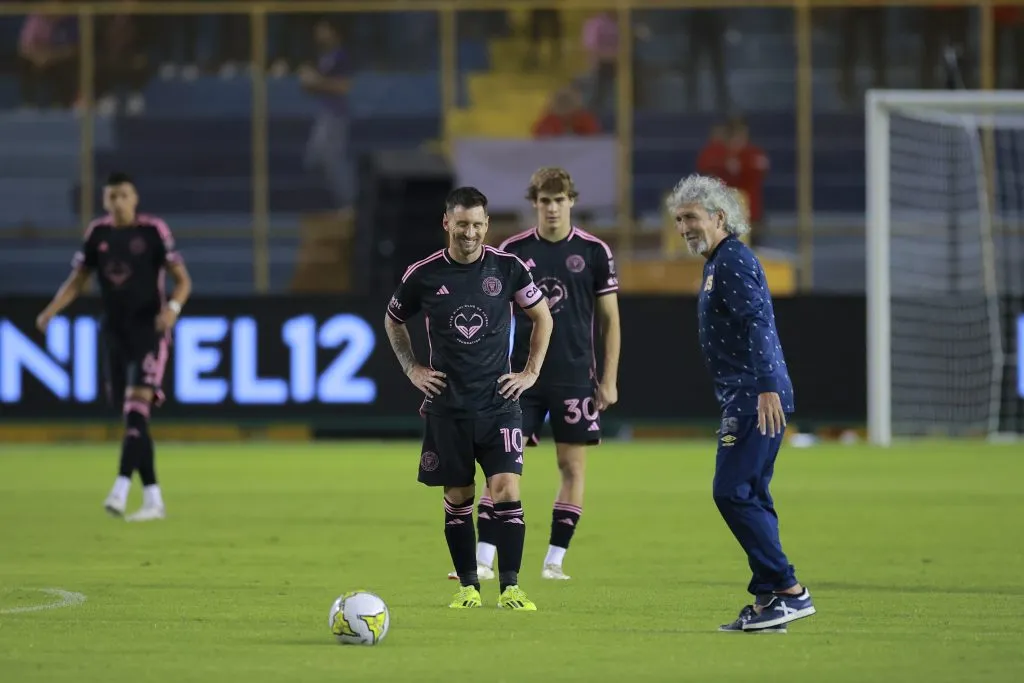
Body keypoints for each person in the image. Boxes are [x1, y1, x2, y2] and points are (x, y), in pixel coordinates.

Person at [448, 168, 620, 582]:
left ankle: (555, 560)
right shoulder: (513, 249)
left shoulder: (595, 251)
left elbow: (610, 320)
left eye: (559, 199)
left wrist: (609, 378)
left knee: (571, 466)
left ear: (572, 202)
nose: (553, 207)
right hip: (519, 377)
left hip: (576, 375)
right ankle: (485, 559)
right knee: (501, 465)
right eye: (545, 200)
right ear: (535, 204)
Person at [385, 187, 553, 610]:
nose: (470, 233)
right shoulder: (422, 275)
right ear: (447, 223)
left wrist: (530, 372)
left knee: (506, 490)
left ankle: (512, 587)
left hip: (500, 405)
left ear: (486, 225)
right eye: (462, 224)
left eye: (478, 225)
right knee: (459, 498)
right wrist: (411, 368)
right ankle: (468, 588)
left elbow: (542, 316)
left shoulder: (509, 268)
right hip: (449, 407)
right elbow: (393, 320)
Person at [666, 173, 815, 633]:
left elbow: (757, 322)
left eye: (691, 217)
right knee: (751, 493)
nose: (684, 227)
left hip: (754, 396)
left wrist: (768, 384)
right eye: (678, 219)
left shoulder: (730, 262)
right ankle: (771, 600)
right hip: (749, 393)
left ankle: (789, 590)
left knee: (731, 492)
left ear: (719, 216)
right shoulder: (718, 262)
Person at [35, 173, 192, 523]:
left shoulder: (153, 232)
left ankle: (120, 488)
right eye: (111, 197)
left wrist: (172, 310)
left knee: (137, 412)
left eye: (123, 195)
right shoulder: (98, 234)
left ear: (134, 197)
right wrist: (50, 311)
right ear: (105, 202)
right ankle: (154, 499)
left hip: (149, 331)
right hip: (115, 334)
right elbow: (78, 281)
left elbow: (183, 280)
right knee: (134, 420)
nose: (118, 202)